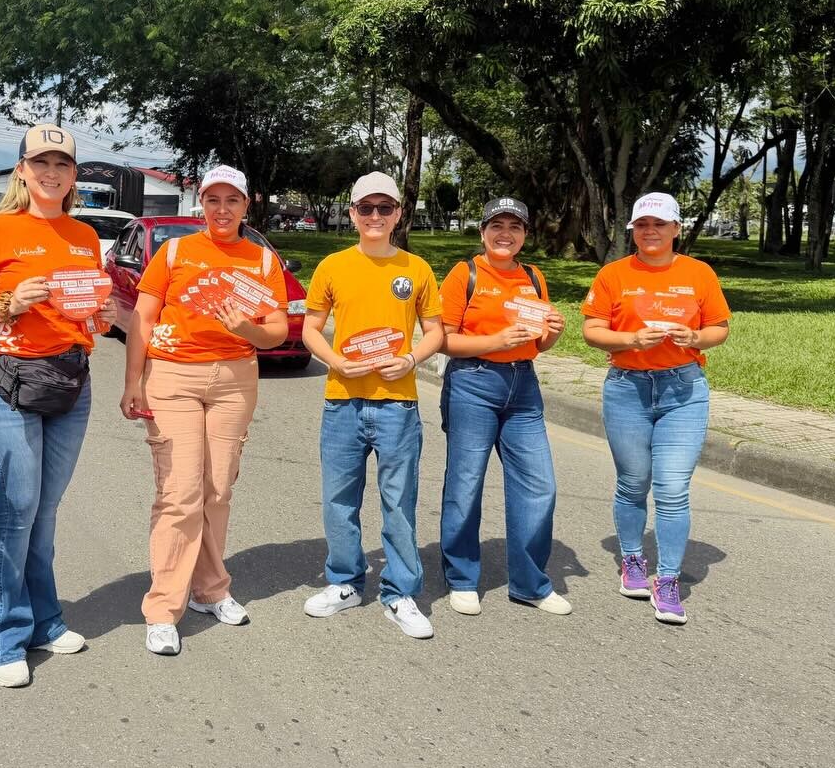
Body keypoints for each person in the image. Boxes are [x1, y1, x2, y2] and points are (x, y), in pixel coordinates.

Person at [0, 124, 110, 687]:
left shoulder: (85, 237)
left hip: (69, 379)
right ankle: (2, 637)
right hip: (7, 381)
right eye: (40, 163)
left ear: (73, 175)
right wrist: (9, 302)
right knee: (15, 508)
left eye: (62, 165)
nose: (51, 173)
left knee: (44, 510)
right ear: (21, 170)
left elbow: (85, 306)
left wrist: (99, 318)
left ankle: (45, 619)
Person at [120, 166, 290, 656]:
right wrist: (135, 381)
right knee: (180, 491)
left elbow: (276, 329)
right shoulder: (175, 251)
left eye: (231, 200)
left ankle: (210, 590)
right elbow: (144, 319)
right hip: (173, 376)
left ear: (246, 204)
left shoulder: (261, 260)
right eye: (212, 199)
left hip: (235, 379)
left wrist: (247, 329)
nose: (221, 209)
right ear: (201, 204)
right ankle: (162, 608)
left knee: (217, 488)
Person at [300, 172, 445, 639]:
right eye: (367, 209)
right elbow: (309, 328)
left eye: (385, 208)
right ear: (352, 214)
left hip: (398, 404)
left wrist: (409, 357)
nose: (376, 216)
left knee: (398, 502)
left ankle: (400, 592)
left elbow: (436, 332)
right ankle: (344, 581)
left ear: (399, 213)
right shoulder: (332, 266)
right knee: (339, 500)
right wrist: (337, 359)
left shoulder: (416, 269)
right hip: (342, 400)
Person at [581, 192, 731, 625]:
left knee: (671, 488)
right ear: (633, 230)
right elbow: (592, 330)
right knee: (633, 482)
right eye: (642, 225)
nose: (650, 232)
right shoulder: (614, 274)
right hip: (626, 388)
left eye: (659, 224)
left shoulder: (699, 274)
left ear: (676, 230)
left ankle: (667, 579)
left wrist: (695, 339)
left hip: (683, 391)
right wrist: (630, 340)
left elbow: (718, 327)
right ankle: (632, 560)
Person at [438, 197, 571, 617]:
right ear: (482, 232)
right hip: (472, 382)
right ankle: (461, 577)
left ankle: (530, 583)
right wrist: (494, 343)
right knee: (466, 483)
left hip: (523, 386)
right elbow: (442, 340)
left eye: (515, 227)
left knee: (539, 484)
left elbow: (539, 342)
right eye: (497, 225)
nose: (505, 234)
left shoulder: (533, 276)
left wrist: (553, 332)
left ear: (525, 236)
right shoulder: (466, 274)